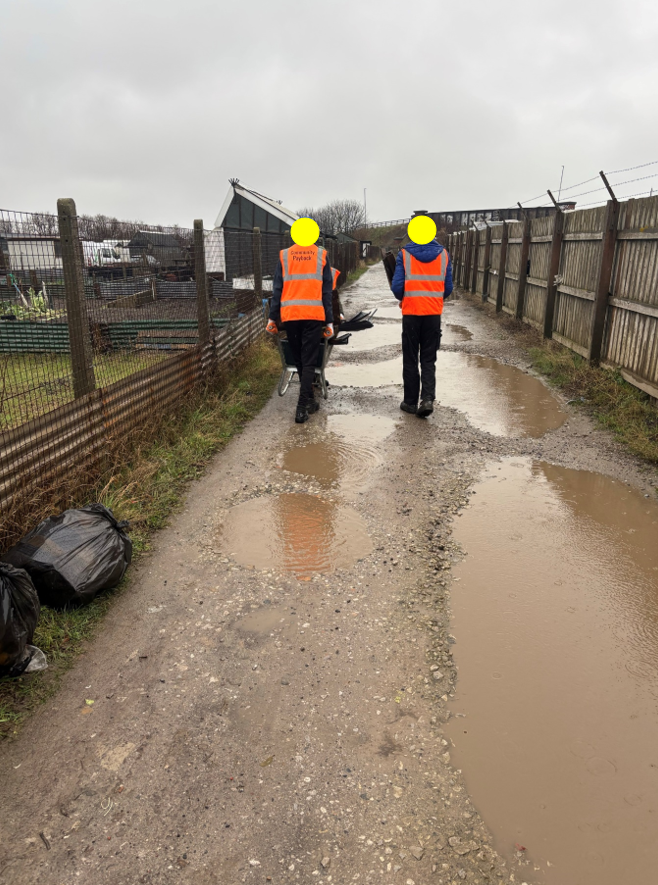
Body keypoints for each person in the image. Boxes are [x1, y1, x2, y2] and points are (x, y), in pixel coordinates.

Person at [267, 218, 334, 423]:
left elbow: (277, 290)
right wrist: (329, 322)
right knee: (309, 361)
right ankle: (302, 406)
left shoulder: (285, 256)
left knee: (299, 359)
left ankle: (309, 401)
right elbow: (327, 293)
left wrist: (272, 318)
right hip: (313, 316)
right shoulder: (321, 256)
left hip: (291, 316)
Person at [390, 216, 452, 418]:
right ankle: (427, 399)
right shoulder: (444, 254)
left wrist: (406, 296)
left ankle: (409, 402)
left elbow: (397, 287)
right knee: (428, 358)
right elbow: (448, 288)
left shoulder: (404, 254)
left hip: (411, 313)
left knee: (410, 358)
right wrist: (432, 297)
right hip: (433, 314)